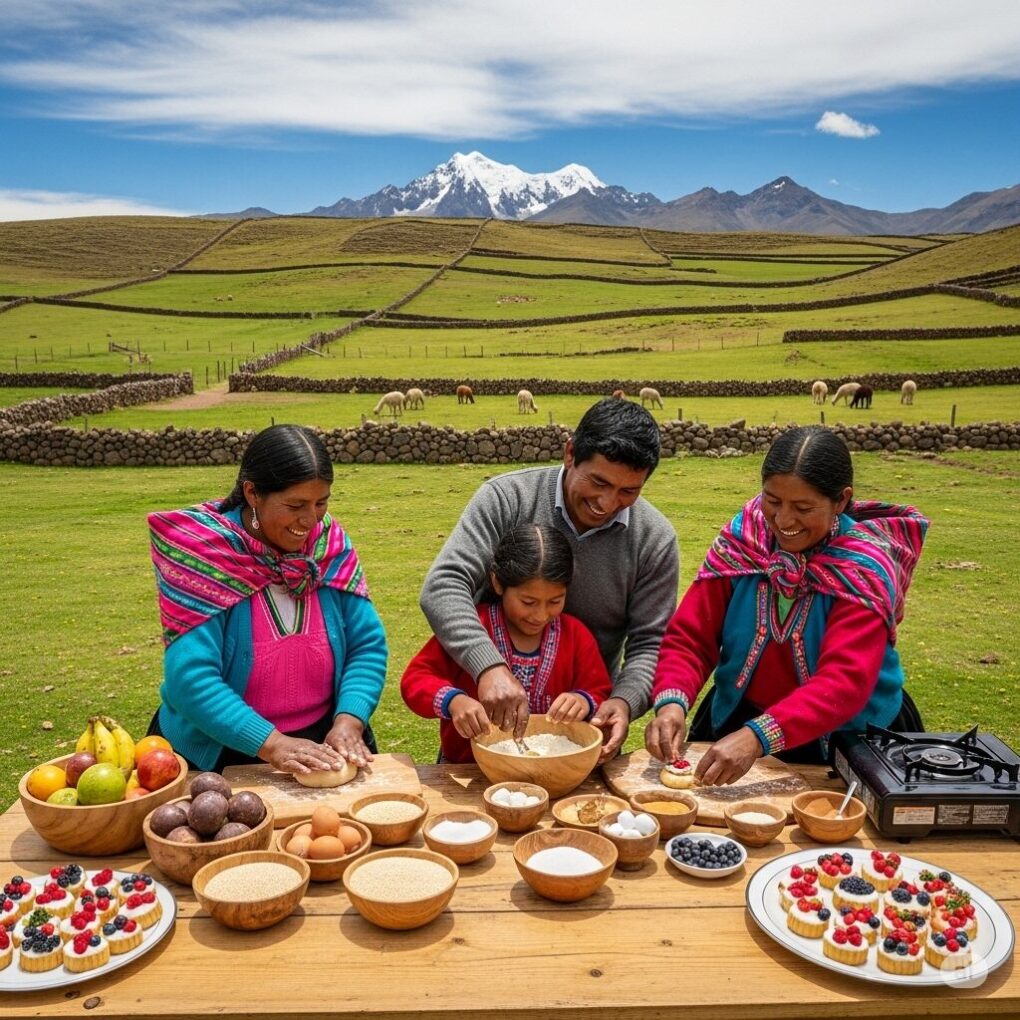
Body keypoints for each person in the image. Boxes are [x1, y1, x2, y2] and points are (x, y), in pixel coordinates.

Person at [645, 425, 928, 785]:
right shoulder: (743, 540)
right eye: (773, 501)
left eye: (803, 507)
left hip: (851, 735)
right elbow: (691, 636)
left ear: (841, 501)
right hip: (740, 720)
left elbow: (844, 681)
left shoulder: (863, 569)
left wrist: (757, 737)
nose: (783, 520)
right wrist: (672, 701)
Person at [419, 398, 679, 759]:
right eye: (598, 482)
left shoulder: (654, 538)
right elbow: (444, 586)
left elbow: (652, 643)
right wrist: (489, 667)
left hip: (584, 737)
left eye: (627, 491)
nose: (606, 503)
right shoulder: (507, 499)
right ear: (570, 453)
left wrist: (622, 701)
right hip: (485, 747)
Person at [147, 424, 388, 775]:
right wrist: (273, 744)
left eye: (321, 503)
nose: (310, 520)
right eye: (295, 505)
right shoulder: (207, 556)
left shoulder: (328, 547)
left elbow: (367, 646)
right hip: (219, 753)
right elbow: (190, 678)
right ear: (252, 493)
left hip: (323, 744)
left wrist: (350, 719)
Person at [402, 524, 613, 762]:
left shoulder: (575, 636)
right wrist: (454, 701)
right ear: (498, 583)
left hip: (552, 769)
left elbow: (599, 690)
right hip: (467, 769)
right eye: (528, 602)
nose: (540, 615)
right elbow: (415, 679)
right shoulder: (473, 628)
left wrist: (582, 700)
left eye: (555, 601)